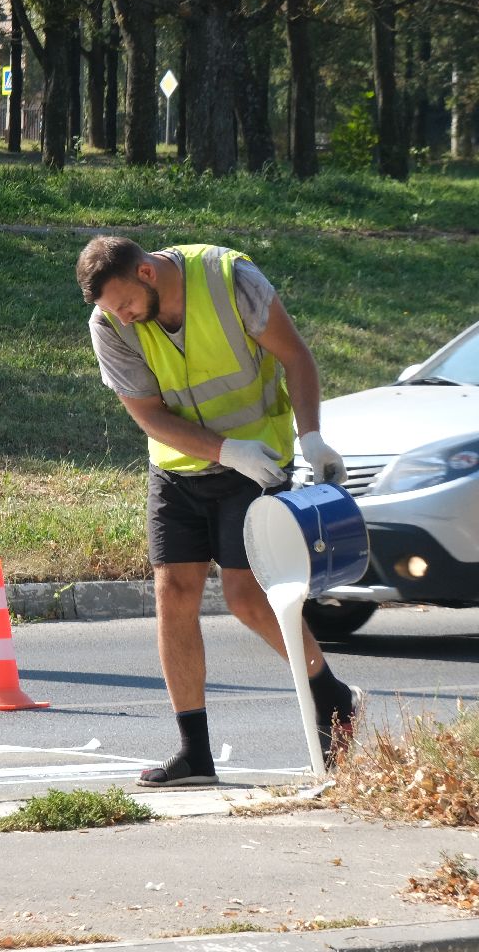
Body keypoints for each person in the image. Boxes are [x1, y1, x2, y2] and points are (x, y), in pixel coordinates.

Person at [76, 235, 360, 787]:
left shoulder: (230, 278)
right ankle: (195, 753)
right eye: (113, 310)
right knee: (173, 594)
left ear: (147, 273)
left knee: (246, 597)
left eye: (126, 303)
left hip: (257, 464)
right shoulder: (109, 324)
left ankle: (331, 696)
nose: (123, 317)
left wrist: (312, 437)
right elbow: (148, 415)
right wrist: (224, 450)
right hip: (179, 467)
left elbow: (295, 356)